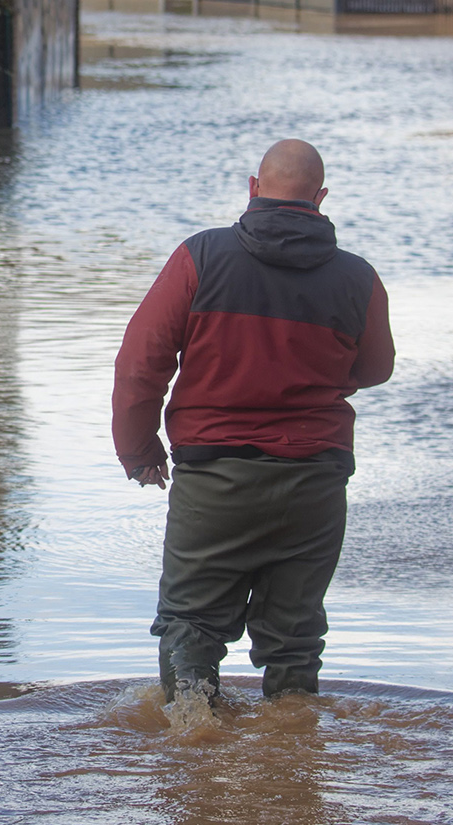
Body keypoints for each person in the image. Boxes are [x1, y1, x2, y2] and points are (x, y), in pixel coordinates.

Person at [112, 139, 394, 702]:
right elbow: (375, 368)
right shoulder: (358, 279)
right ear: (320, 198)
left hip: (216, 480)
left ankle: (191, 748)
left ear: (253, 189)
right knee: (295, 641)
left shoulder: (199, 258)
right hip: (315, 481)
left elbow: (140, 366)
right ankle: (293, 754)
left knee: (190, 626)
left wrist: (140, 452)